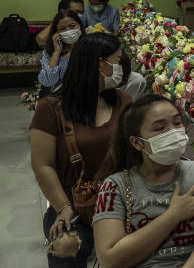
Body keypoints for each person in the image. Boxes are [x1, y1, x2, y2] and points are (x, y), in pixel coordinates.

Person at [30, 33, 133, 268]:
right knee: (65, 246)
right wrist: (64, 208)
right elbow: (42, 164)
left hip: (121, 201)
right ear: (99, 64)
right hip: (74, 205)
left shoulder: (123, 101)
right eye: (117, 62)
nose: (122, 68)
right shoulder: (52, 108)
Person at [93, 94, 194, 268]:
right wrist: (173, 215)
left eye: (177, 123)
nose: (172, 132)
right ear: (137, 143)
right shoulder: (115, 186)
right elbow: (110, 259)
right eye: (160, 127)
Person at [38, 10, 85, 92]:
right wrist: (56, 53)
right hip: (61, 97)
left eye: (72, 26)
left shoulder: (90, 47)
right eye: (62, 28)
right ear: (57, 33)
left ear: (80, 26)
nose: (68, 30)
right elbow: (47, 82)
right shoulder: (50, 52)